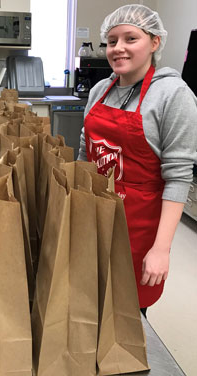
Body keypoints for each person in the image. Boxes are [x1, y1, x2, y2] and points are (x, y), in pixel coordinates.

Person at [78, 4, 197, 317]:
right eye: (112, 41)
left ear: (155, 42)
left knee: (127, 312)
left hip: (139, 229)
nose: (118, 49)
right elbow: (84, 149)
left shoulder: (173, 95)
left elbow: (178, 177)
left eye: (130, 39)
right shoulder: (101, 89)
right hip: (93, 216)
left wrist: (161, 249)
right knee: (87, 300)